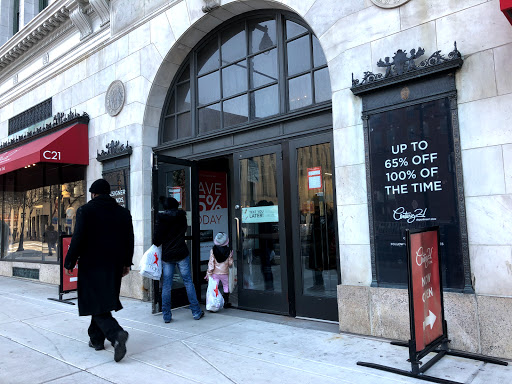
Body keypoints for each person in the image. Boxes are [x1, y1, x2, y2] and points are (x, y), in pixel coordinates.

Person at [64, 179, 134, 363]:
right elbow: (129, 240)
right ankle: (96, 339)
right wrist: (127, 263)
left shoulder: (85, 210)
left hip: (92, 265)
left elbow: (78, 237)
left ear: (94, 193)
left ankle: (116, 334)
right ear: (108, 193)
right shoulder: (123, 212)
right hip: (114, 266)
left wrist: (70, 260)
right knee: (101, 301)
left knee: (96, 303)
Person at [153, 196, 204, 323]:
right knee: (188, 282)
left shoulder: (162, 219)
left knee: (166, 285)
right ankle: (196, 312)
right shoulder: (182, 217)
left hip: (168, 255)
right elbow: (184, 231)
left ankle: (166, 316)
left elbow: (156, 240)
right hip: (181, 252)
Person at [205, 232, 233, 308]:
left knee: (215, 288)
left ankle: (216, 303)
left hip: (215, 273)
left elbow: (211, 263)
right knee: (226, 287)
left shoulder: (213, 250)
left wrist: (209, 273)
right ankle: (226, 303)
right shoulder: (229, 251)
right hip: (225, 273)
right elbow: (230, 263)